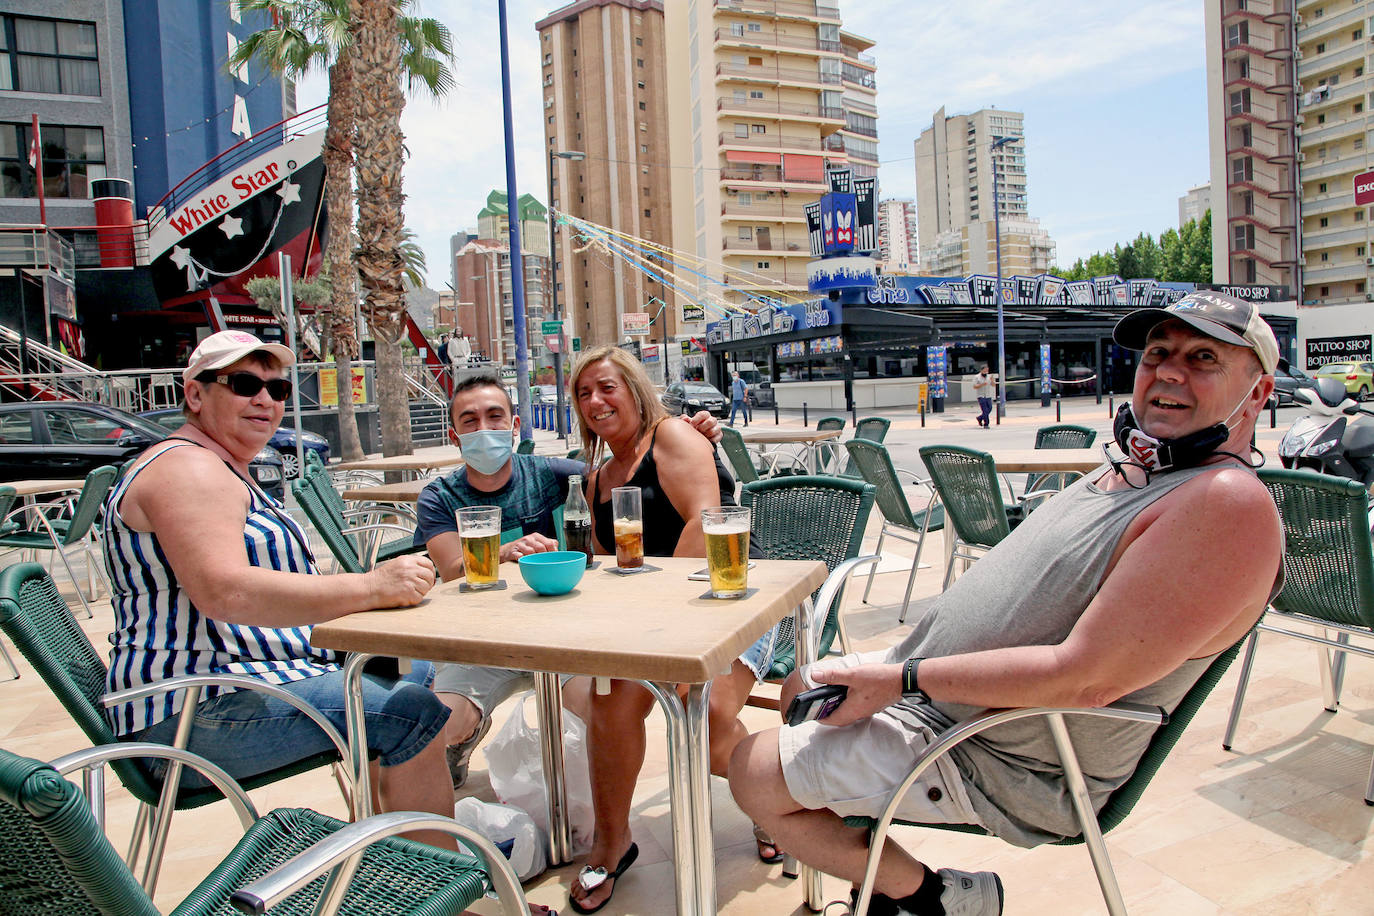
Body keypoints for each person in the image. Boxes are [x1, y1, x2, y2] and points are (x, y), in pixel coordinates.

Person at [728, 291, 1285, 916]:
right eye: (1158, 353)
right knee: (800, 686)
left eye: (1204, 357)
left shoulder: (1226, 502)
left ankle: (932, 898)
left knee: (751, 768)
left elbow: (1085, 680)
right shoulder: (1132, 471)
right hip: (940, 703)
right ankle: (879, 878)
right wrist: (898, 672)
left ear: (1257, 394)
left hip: (1002, 755)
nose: (1170, 371)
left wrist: (900, 679)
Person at [103, 331, 453, 848]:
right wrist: (370, 586)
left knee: (412, 673)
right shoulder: (188, 468)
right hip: (194, 714)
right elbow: (225, 592)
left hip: (243, 684)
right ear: (195, 395)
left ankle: (397, 849)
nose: (265, 399)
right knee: (410, 714)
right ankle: (440, 889)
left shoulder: (222, 468)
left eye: (278, 388)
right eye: (244, 384)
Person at [413, 373, 723, 790]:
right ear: (455, 435)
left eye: (495, 417)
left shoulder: (550, 474)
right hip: (478, 642)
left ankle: (588, 813)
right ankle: (464, 740)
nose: (484, 430)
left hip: (562, 640)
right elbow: (450, 569)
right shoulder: (439, 498)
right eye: (470, 421)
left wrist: (699, 437)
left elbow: (629, 465)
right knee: (433, 728)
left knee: (598, 710)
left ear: (516, 426)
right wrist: (503, 552)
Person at [562, 344, 778, 913]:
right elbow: (611, 564)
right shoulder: (597, 479)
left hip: (731, 600)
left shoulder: (674, 437)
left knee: (700, 719)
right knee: (608, 702)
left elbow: (705, 528)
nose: (595, 401)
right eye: (583, 393)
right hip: (652, 623)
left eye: (606, 386)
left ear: (635, 388)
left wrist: (649, 613)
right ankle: (613, 845)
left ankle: (775, 803)